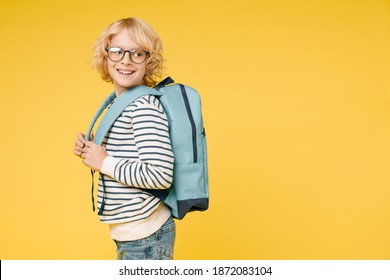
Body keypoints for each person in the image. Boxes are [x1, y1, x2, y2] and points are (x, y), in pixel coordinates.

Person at [73, 18, 175, 260]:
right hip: (134, 231)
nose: (126, 60)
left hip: (146, 233)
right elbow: (127, 153)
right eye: (117, 52)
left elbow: (160, 175)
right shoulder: (121, 102)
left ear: (149, 61)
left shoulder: (143, 106)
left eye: (137, 53)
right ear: (105, 57)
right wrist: (93, 149)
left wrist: (104, 162)